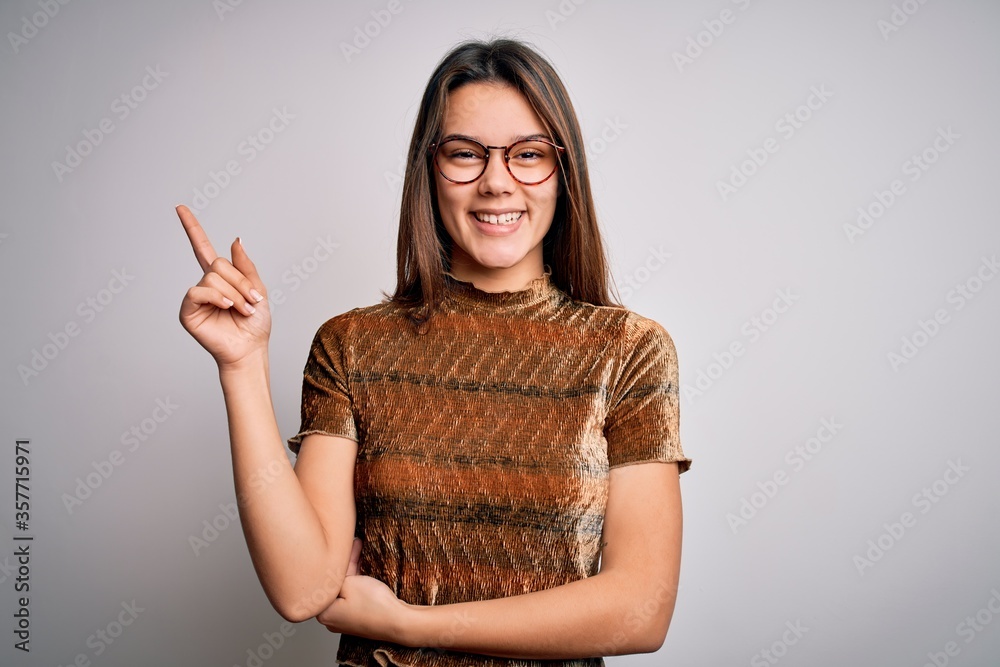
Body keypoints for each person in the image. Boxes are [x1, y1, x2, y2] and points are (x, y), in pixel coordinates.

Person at [177, 37, 691, 666]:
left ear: (564, 171)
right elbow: (301, 586)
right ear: (430, 170)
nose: (496, 182)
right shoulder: (352, 346)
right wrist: (241, 366)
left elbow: (640, 611)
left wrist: (413, 625)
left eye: (528, 154)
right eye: (465, 154)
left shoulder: (630, 351)